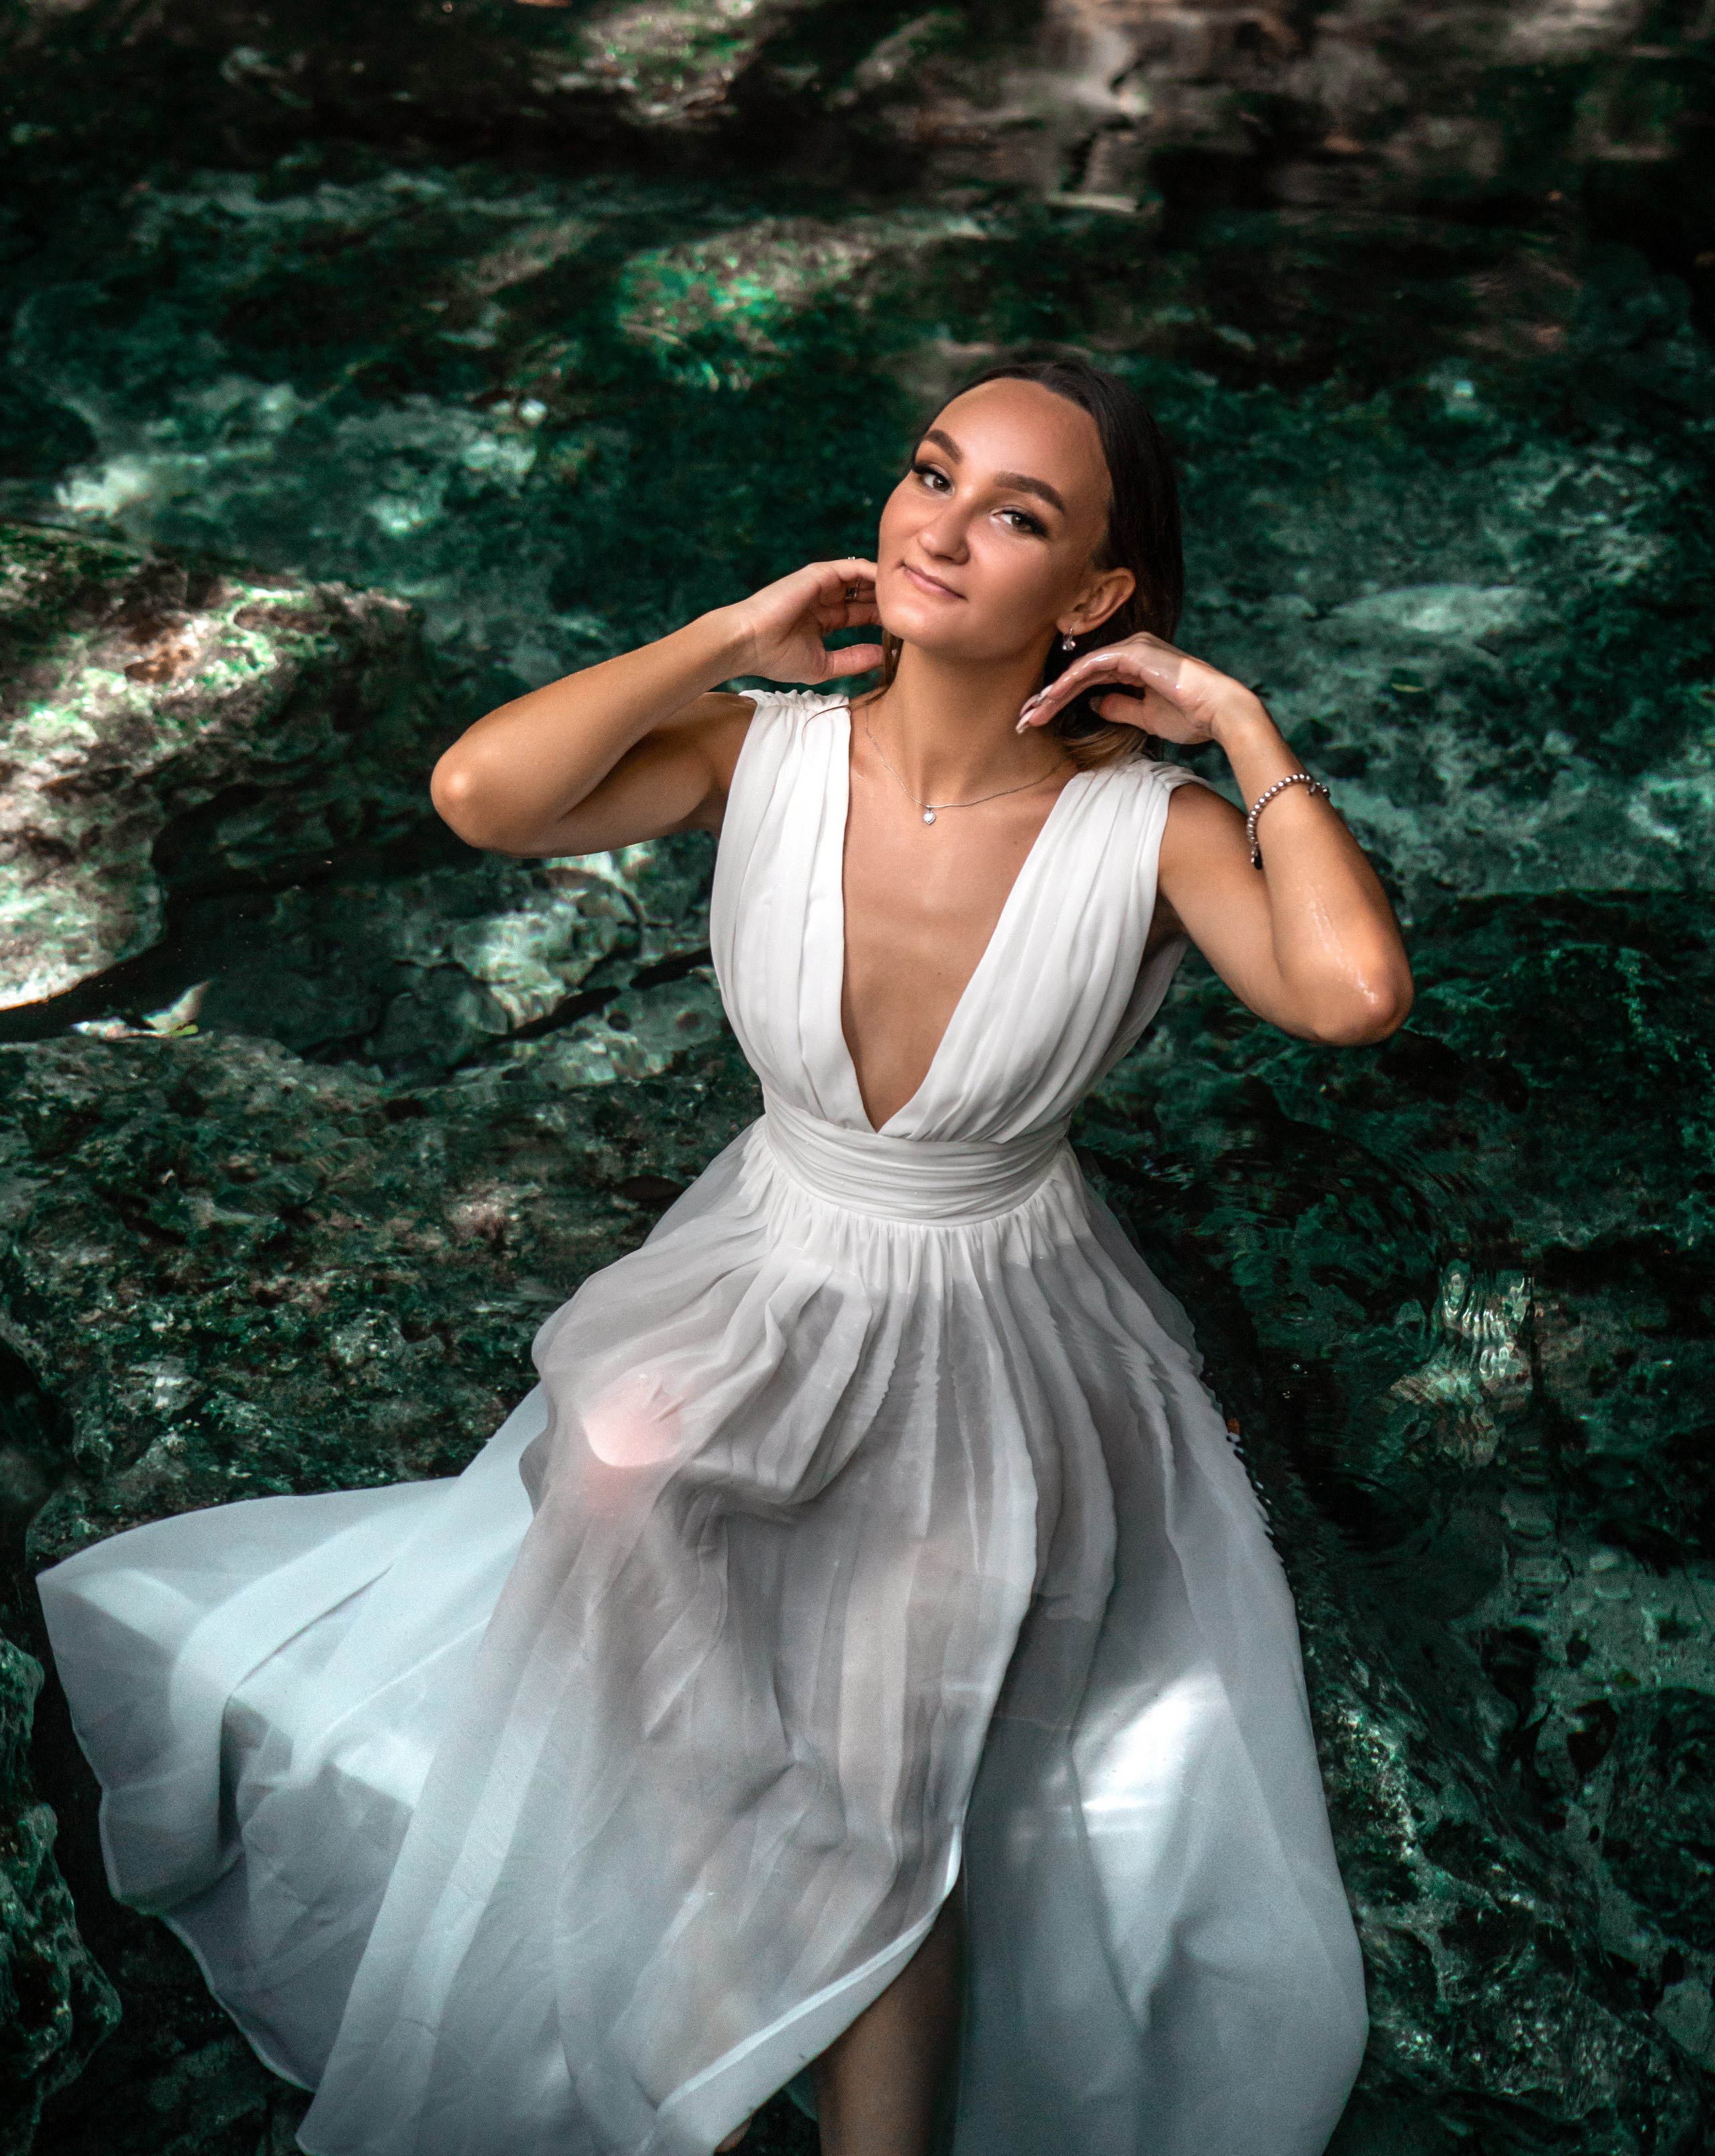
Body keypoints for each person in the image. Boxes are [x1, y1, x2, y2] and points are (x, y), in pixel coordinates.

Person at [38, 359, 1410, 2156]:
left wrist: (1238, 725)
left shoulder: (1153, 830)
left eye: (1017, 512)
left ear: (1095, 598)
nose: (941, 523)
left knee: (886, 1785)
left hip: (991, 1320)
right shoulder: (765, 751)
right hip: (764, 1256)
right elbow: (479, 794)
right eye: (932, 473)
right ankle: (710, 1990)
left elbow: (1354, 993)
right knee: (627, 1487)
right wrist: (726, 633)